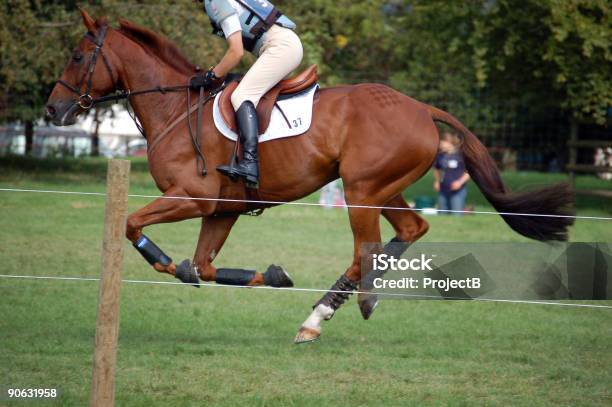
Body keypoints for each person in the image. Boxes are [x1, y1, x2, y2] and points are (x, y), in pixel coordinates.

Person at [197, 0, 303, 188]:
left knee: (241, 96)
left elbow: (236, 51)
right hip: (282, 45)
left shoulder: (216, 2)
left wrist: (212, 75)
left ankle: (250, 163)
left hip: (280, 47)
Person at [433, 131, 470, 215]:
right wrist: (437, 181)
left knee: (456, 215)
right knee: (442, 215)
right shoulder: (440, 156)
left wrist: (460, 182)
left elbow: (468, 172)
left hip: (458, 191)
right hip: (443, 190)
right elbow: (436, 169)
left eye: (442, 143)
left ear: (449, 142)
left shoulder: (461, 155)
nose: (440, 145)